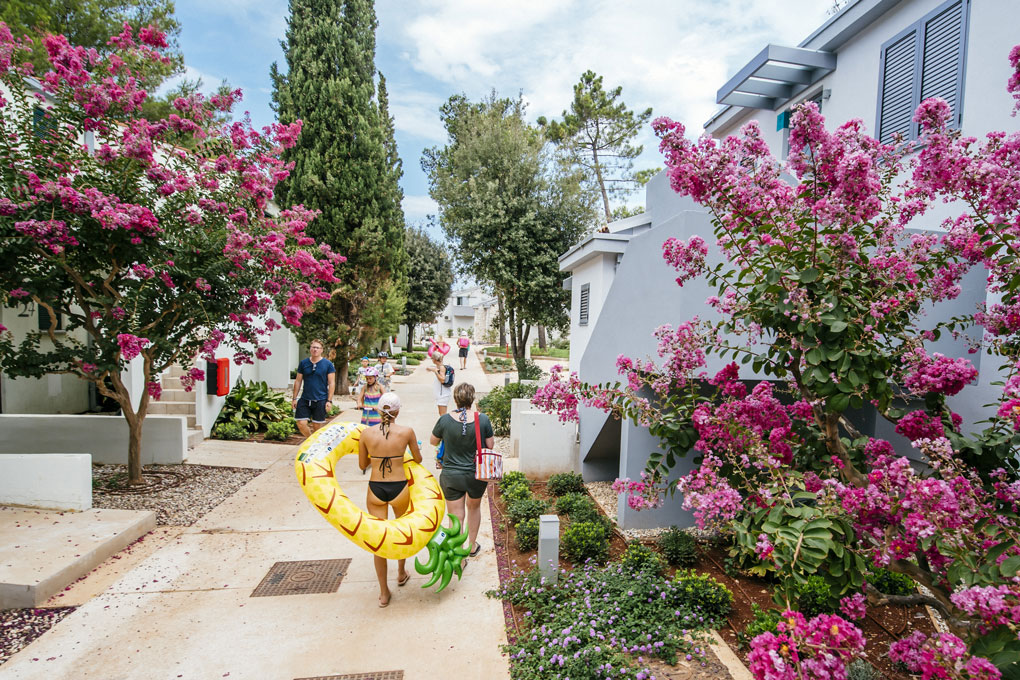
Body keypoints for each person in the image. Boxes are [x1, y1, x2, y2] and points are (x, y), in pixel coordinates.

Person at [358, 393, 422, 607]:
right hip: (399, 487)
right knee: (401, 531)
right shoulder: (406, 432)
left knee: (379, 541)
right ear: (398, 412)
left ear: (377, 410)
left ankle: (384, 593)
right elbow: (418, 459)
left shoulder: (366, 434)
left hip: (375, 488)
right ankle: (401, 573)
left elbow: (362, 465)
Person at [430, 383, 492, 558]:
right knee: (473, 508)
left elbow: (433, 441)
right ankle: (471, 546)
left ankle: (458, 555)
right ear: (472, 399)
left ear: (455, 399)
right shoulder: (483, 419)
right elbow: (490, 445)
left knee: (455, 517)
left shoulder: (444, 420)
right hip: (475, 475)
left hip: (450, 476)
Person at [291, 339, 336, 438]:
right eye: (313, 347)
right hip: (305, 398)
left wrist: (329, 401)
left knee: (317, 427)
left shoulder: (328, 364)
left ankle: (316, 445)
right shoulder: (303, 363)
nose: (315, 349)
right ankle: (310, 440)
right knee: (301, 423)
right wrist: (294, 398)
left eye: (317, 347)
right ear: (310, 349)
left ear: (321, 350)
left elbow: (332, 383)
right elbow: (298, 381)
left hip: (320, 399)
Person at [425, 351, 454, 415]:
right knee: (442, 414)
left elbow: (442, 380)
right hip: (442, 394)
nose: (431, 360)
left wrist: (435, 372)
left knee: (442, 414)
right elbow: (435, 369)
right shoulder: (440, 367)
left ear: (435, 359)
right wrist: (430, 369)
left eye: (432, 358)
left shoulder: (441, 368)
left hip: (443, 395)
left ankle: (444, 425)